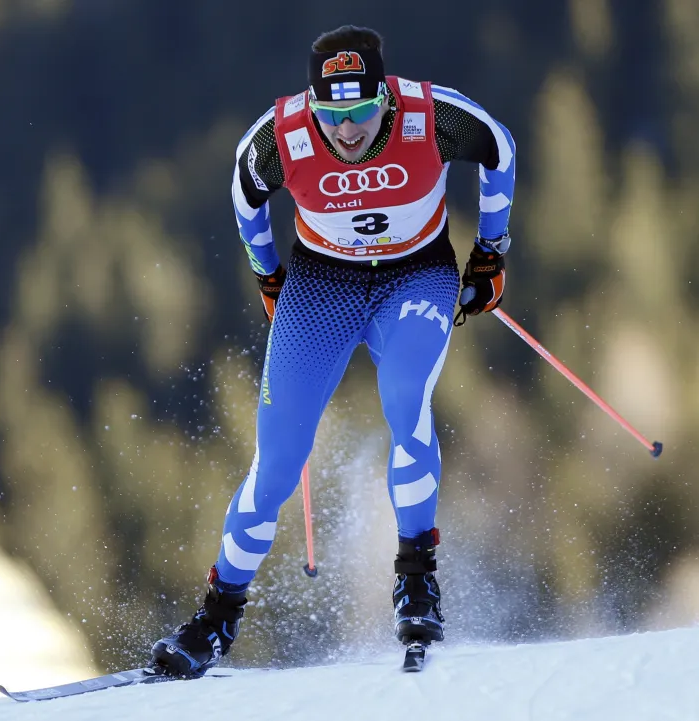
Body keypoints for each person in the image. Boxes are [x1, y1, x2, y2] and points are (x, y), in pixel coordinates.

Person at [150, 24, 516, 677]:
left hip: (416, 275)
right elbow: (245, 200)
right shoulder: (279, 136)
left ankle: (415, 580)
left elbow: (499, 149)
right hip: (323, 283)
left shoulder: (431, 116)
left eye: (360, 112)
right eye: (332, 116)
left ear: (386, 96)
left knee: (406, 399)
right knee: (277, 462)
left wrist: (491, 249)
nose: (346, 131)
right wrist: (268, 273)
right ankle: (214, 618)